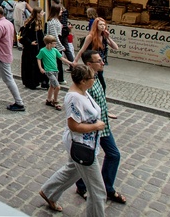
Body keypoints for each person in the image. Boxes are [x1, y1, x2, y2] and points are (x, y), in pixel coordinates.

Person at [38, 64, 107, 215]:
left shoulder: (83, 91)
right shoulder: (74, 98)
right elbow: (74, 126)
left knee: (73, 170)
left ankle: (49, 192)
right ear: (83, 80)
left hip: (87, 144)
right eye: (92, 78)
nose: (94, 80)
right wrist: (96, 126)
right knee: (98, 191)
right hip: (82, 146)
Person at [75, 50, 127, 204]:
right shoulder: (86, 83)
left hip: (103, 124)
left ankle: (106, 188)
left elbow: (100, 98)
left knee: (113, 155)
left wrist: (105, 111)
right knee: (87, 158)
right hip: (93, 128)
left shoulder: (98, 77)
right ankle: (83, 186)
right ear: (89, 64)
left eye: (102, 59)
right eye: (99, 61)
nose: (103, 62)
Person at [76, 17, 120, 92]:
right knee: (100, 83)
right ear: (96, 26)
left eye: (104, 24)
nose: (103, 26)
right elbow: (82, 50)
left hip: (100, 63)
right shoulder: (90, 37)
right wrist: (75, 61)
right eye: (100, 24)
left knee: (98, 82)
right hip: (93, 62)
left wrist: (108, 37)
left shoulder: (103, 37)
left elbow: (116, 47)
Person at [38, 35, 72, 109]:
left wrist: (70, 63)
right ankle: (55, 101)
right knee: (58, 86)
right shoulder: (42, 50)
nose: (55, 45)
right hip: (49, 71)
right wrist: (41, 68)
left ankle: (49, 99)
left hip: (55, 70)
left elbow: (61, 58)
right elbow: (39, 58)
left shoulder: (55, 50)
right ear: (49, 43)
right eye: (54, 43)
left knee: (52, 86)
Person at [20, 6, 46, 89]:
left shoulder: (38, 22)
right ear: (37, 14)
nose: (42, 14)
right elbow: (24, 35)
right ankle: (31, 82)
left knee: (35, 64)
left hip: (36, 48)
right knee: (31, 65)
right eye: (41, 13)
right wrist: (30, 42)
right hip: (31, 49)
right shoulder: (31, 23)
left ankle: (35, 81)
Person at [46, 0, 67, 83]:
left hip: (55, 44)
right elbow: (55, 36)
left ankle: (58, 78)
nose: (61, 11)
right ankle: (57, 79)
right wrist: (60, 46)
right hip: (55, 45)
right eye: (60, 10)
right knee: (57, 63)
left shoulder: (55, 21)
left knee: (57, 63)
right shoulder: (53, 22)